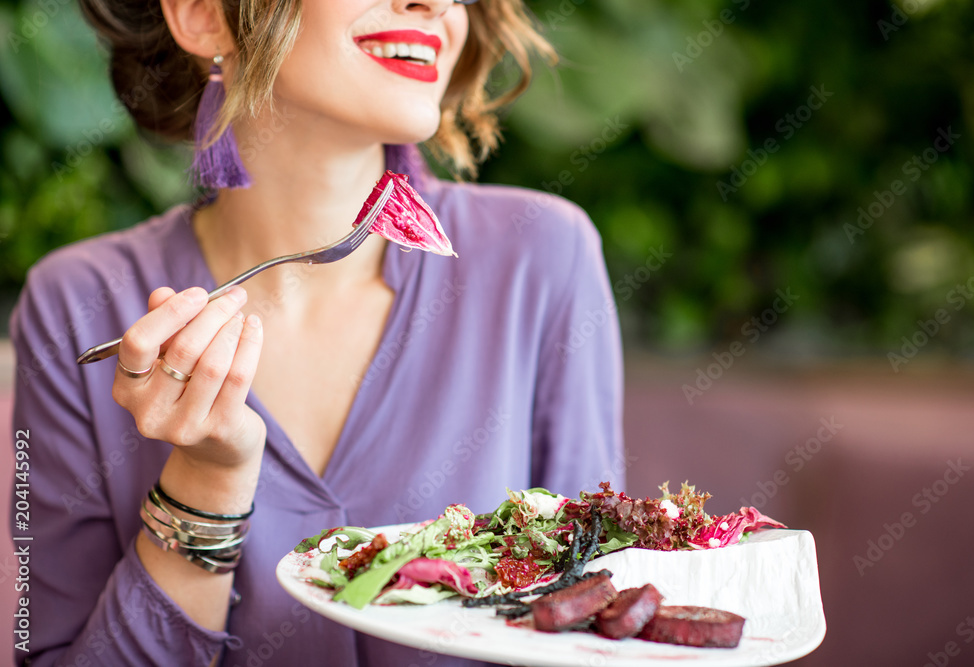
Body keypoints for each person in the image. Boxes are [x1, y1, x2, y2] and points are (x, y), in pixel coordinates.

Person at [9, 0, 624, 664]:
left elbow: (597, 623)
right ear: (203, 15)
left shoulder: (543, 258)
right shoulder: (73, 305)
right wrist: (203, 490)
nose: (436, 4)